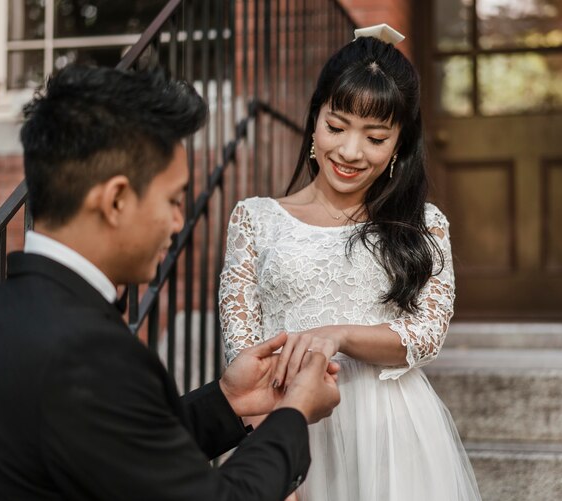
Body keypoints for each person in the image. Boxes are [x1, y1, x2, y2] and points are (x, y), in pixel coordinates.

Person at [0, 65, 341, 501]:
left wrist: (229, 400)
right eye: (173, 200)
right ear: (116, 199)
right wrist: (294, 412)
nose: (179, 221)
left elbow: (120, 453)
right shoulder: (91, 353)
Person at [220, 25, 482, 501]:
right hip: (286, 421)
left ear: (400, 142)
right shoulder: (255, 219)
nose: (350, 152)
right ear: (315, 119)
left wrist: (338, 335)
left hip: (391, 429)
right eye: (336, 127)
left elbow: (426, 336)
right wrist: (265, 448)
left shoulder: (423, 224)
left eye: (375, 136)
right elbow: (242, 352)